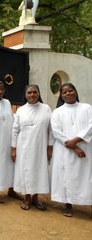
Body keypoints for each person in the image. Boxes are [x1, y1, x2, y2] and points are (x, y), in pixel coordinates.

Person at [50, 83, 92, 217]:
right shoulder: (57, 111)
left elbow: (91, 126)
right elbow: (57, 132)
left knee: (87, 177)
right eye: (64, 92)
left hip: (85, 148)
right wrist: (75, 148)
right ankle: (68, 205)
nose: (68, 94)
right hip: (65, 150)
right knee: (66, 176)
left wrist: (75, 141)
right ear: (61, 96)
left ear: (76, 91)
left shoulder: (87, 108)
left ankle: (89, 203)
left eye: (70, 91)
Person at [11, 85, 53, 211]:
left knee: (38, 171)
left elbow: (51, 130)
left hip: (40, 146)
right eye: (29, 92)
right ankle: (27, 197)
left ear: (39, 94)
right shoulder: (20, 110)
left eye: (35, 92)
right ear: (25, 95)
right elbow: (15, 130)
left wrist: (50, 147)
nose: (32, 95)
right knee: (26, 171)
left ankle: (36, 198)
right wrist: (14, 149)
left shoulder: (46, 108)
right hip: (24, 147)